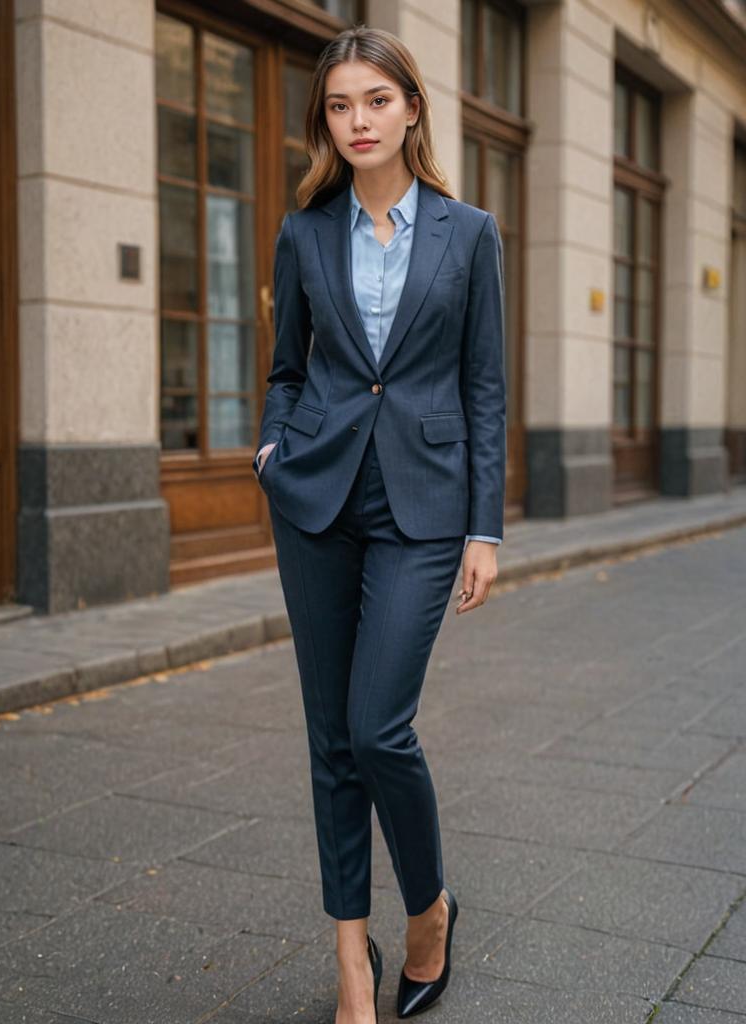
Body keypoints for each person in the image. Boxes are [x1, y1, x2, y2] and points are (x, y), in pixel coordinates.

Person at [252, 23, 506, 1024]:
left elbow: (483, 387)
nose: (358, 120)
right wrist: (273, 452)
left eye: (376, 100)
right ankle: (351, 958)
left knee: (377, 727)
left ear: (412, 109)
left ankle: (431, 907)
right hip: (315, 499)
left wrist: (483, 526)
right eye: (340, 104)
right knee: (329, 739)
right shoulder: (305, 228)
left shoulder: (470, 231)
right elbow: (284, 368)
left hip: (424, 505)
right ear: (326, 118)